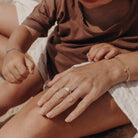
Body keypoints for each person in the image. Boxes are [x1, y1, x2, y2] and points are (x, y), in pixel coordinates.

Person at [0, 0, 138, 137]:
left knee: (42, 113)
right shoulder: (60, 2)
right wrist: (13, 50)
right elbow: (29, 28)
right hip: (51, 62)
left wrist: (121, 53)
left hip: (93, 77)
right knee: (8, 93)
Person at [0, 0, 47, 116]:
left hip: (53, 58)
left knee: (7, 95)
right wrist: (14, 50)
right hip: (47, 22)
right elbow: (33, 25)